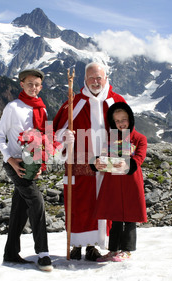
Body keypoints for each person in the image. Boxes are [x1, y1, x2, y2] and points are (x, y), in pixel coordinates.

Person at [53, 62, 126, 261]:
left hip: (106, 164)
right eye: (91, 78)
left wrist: (122, 159)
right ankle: (76, 244)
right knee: (79, 204)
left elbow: (126, 132)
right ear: (84, 80)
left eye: (99, 78)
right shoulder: (73, 102)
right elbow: (57, 130)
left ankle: (94, 246)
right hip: (79, 163)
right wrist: (64, 136)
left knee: (103, 204)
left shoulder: (116, 101)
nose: (95, 82)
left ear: (105, 78)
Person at [0, 69, 53, 271]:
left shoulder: (43, 109)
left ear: (41, 86)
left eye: (37, 84)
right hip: (15, 163)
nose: (33, 88)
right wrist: (9, 159)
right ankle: (43, 253)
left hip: (31, 163)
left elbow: (44, 139)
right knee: (36, 201)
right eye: (29, 84)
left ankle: (10, 252)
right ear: (21, 84)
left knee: (19, 209)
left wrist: (39, 166)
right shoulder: (13, 107)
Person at [92, 102, 147, 262]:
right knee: (115, 216)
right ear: (112, 123)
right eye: (117, 121)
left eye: (124, 119)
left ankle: (127, 249)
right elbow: (103, 157)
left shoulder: (139, 138)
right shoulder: (110, 139)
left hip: (131, 181)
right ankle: (113, 249)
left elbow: (140, 157)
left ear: (130, 119)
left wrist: (128, 164)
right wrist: (97, 163)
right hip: (113, 182)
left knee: (130, 216)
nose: (121, 123)